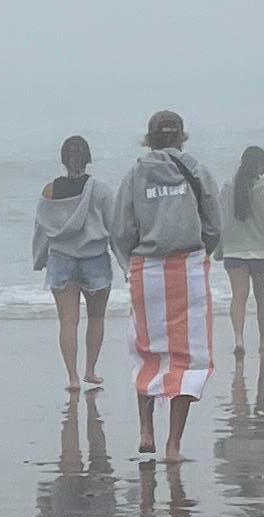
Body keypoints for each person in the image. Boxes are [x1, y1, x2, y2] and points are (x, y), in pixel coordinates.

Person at [106, 107, 222, 465]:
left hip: (148, 269)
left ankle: (146, 430)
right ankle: (173, 444)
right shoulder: (197, 170)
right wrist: (202, 251)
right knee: (189, 358)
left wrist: (131, 265)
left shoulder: (135, 174)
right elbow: (214, 225)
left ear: (149, 138)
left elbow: (120, 230)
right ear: (182, 136)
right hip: (188, 268)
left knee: (147, 351)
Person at [31, 133, 111, 385]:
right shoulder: (100, 189)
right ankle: (90, 370)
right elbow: (116, 226)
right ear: (88, 158)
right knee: (96, 318)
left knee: (68, 321)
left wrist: (39, 258)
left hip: (61, 260)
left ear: (63, 159)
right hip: (95, 259)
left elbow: (41, 228)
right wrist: (125, 259)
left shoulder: (50, 190)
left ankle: (73, 377)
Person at [224, 143, 264, 363]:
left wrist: (219, 251)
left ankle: (239, 338)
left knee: (238, 297)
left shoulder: (227, 187)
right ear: (260, 165)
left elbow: (222, 221)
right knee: (263, 298)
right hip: (262, 253)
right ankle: (262, 340)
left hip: (234, 252)